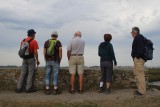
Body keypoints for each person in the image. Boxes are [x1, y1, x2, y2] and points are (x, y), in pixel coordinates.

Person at [16, 29, 40, 93]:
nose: (35, 35)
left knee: (22, 73)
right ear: (32, 34)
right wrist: (37, 60)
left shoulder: (23, 40)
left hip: (24, 59)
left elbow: (21, 50)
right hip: (31, 59)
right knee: (30, 74)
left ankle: (18, 88)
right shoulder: (34, 41)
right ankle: (28, 88)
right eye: (34, 34)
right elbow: (35, 52)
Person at [131, 27, 146, 96]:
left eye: (132, 32)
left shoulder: (139, 37)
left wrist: (136, 57)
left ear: (135, 32)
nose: (131, 34)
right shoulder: (138, 38)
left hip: (139, 59)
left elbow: (140, 49)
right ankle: (140, 90)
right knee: (137, 75)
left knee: (140, 75)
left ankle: (142, 91)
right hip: (138, 59)